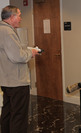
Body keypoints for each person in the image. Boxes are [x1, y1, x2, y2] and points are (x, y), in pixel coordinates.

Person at [0, 5, 39, 133]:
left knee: (7, 113)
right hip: (17, 82)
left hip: (6, 81)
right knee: (19, 116)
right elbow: (17, 56)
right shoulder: (8, 31)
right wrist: (31, 53)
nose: (21, 18)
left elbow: (9, 52)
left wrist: (24, 50)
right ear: (12, 17)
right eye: (19, 15)